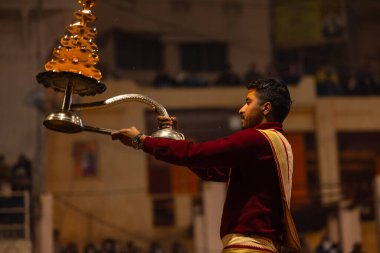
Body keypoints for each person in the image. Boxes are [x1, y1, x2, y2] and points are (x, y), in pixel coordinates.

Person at [111, 79, 301, 253]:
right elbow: (211, 169)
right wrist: (177, 139)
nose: (241, 109)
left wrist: (141, 140)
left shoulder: (255, 139)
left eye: (248, 102)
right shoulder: (280, 144)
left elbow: (199, 154)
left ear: (266, 108)